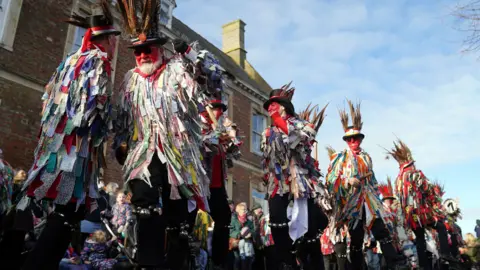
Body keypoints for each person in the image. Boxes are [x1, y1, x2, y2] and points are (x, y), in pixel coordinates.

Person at [0, 2, 120, 269]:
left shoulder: (70, 60)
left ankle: (9, 255)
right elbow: (95, 111)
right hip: (75, 151)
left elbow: (50, 103)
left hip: (52, 147)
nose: (114, 46)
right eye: (114, 40)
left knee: (31, 198)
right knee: (70, 209)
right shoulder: (98, 62)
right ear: (109, 39)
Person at [114, 1, 221, 268]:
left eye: (147, 50)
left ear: (160, 49)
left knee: (178, 220)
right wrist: (121, 143)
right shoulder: (131, 80)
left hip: (178, 153)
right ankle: (148, 262)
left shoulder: (177, 69)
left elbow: (214, 79)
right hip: (144, 151)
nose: (142, 56)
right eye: (137, 52)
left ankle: (177, 262)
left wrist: (190, 53)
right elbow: (123, 118)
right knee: (144, 204)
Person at [326, 100, 406, 270]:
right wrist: (347, 181)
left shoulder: (366, 157)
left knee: (381, 229)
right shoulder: (340, 157)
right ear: (347, 141)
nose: (354, 141)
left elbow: (373, 180)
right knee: (356, 239)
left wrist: (375, 195)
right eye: (350, 139)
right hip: (350, 204)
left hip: (368, 200)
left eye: (357, 138)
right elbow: (331, 180)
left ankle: (394, 263)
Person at [261, 86, 330, 270]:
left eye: (274, 104)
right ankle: (288, 260)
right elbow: (268, 157)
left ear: (284, 106)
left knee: (311, 227)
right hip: (278, 181)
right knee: (276, 219)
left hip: (301, 180)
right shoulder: (267, 132)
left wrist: (277, 119)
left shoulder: (302, 124)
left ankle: (310, 260)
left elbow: (301, 141)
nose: (271, 108)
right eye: (269, 106)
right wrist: (266, 174)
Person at [386, 139, 452, 270]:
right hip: (421, 213)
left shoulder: (398, 179)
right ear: (410, 161)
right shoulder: (415, 174)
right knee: (441, 227)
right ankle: (445, 255)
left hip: (411, 216)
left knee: (420, 238)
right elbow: (428, 190)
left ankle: (423, 266)